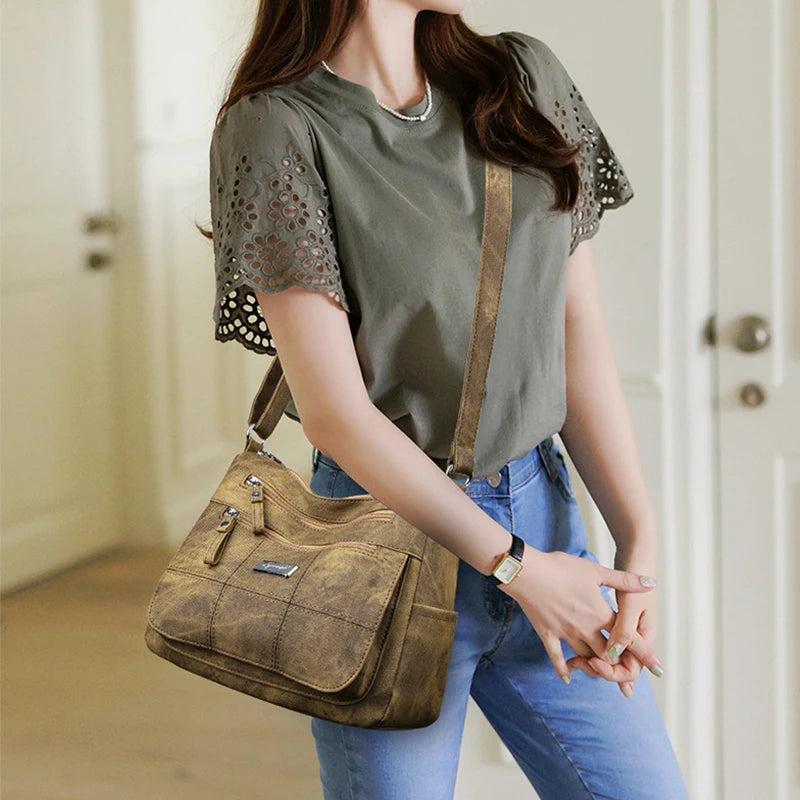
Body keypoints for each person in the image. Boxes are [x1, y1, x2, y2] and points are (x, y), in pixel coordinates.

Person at [202, 2, 690, 798]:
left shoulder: (522, 77)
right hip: (379, 551)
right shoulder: (277, 128)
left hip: (544, 522)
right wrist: (518, 572)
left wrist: (641, 538)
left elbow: (574, 325)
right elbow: (335, 414)